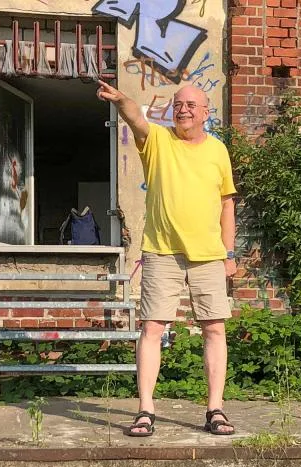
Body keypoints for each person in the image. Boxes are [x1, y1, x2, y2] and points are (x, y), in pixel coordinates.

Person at [97, 79, 237, 436]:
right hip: (161, 250)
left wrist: (229, 252)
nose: (183, 109)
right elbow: (136, 119)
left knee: (215, 328)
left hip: (208, 255)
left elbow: (226, 203)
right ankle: (146, 410)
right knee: (152, 328)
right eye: (178, 104)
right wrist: (121, 100)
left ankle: (215, 409)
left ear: (205, 112)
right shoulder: (158, 140)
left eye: (191, 104)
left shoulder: (218, 150)